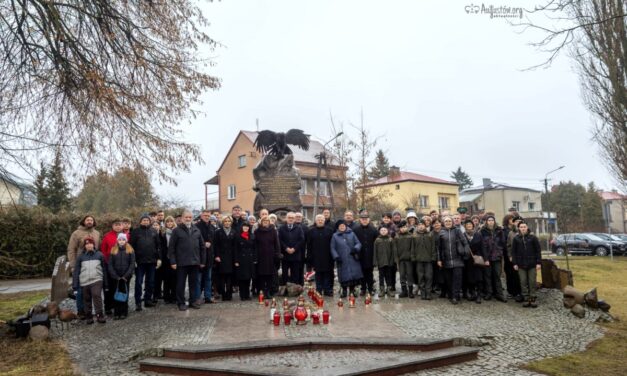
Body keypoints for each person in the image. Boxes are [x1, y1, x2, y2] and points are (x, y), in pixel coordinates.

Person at [168, 210, 205, 311]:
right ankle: (181, 302)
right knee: (180, 284)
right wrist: (173, 261)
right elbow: (171, 248)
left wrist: (202, 261)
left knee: (194, 283)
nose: (188, 219)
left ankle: (193, 301)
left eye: (190, 217)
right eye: (186, 217)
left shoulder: (197, 230)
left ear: (192, 218)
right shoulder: (176, 231)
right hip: (181, 263)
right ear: (182, 218)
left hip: (194, 262)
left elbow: (202, 247)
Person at [67, 215, 101, 317]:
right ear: (84, 221)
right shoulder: (76, 233)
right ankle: (81, 311)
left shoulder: (97, 233)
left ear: (94, 222)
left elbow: (98, 248)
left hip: (94, 264)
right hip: (80, 264)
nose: (89, 221)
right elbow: (71, 249)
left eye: (91, 220)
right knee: (80, 290)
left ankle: (90, 311)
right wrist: (73, 265)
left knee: (93, 289)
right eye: (87, 220)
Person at [72, 236, 108, 324]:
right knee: (86, 299)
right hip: (84, 281)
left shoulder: (100, 255)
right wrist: (75, 285)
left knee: (96, 295)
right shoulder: (81, 257)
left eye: (91, 244)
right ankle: (89, 316)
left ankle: (100, 315)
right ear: (85, 246)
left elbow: (104, 270)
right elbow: (76, 271)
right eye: (87, 244)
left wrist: (106, 284)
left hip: (97, 279)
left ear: (94, 245)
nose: (89, 246)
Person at [130, 214, 161, 311]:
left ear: (150, 221)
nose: (146, 222)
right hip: (140, 262)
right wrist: (133, 260)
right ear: (140, 222)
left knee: (150, 282)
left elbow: (158, 246)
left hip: (152, 262)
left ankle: (148, 300)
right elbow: (131, 247)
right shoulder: (135, 232)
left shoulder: (154, 232)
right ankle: (138, 302)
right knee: (138, 282)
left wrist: (159, 258)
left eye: (147, 220)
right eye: (144, 220)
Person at [511, 222, 542, 308]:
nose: (523, 228)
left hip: (532, 263)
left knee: (532, 281)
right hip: (521, 264)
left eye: (524, 227)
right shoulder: (516, 239)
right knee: (523, 281)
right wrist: (515, 263)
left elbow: (538, 250)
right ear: (519, 228)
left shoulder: (533, 238)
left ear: (527, 227)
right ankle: (526, 298)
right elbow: (513, 252)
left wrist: (538, 262)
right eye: (521, 227)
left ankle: (532, 298)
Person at [437, 217, 467, 305]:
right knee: (449, 280)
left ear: (452, 222)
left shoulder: (457, 231)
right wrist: (439, 259)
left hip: (458, 259)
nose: (448, 222)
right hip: (446, 260)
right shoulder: (441, 232)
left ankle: (455, 296)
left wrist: (465, 253)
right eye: (446, 221)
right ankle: (451, 294)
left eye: (449, 221)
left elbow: (465, 243)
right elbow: (438, 248)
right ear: (443, 222)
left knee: (457, 279)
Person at [100, 219, 127, 315]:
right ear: (112, 226)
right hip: (109, 265)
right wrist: (106, 263)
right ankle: (108, 306)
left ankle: (120, 305)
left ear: (122, 226)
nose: (118, 226)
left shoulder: (126, 235)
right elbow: (103, 250)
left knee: (120, 286)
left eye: (119, 225)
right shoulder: (107, 236)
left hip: (123, 266)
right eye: (115, 225)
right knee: (109, 286)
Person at [331, 220, 363, 298]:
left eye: (343, 226)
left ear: (346, 226)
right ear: (338, 227)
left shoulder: (352, 233)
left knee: (353, 275)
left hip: (352, 258)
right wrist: (336, 256)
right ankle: (344, 291)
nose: (342, 227)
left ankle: (352, 291)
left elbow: (358, 243)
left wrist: (355, 249)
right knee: (343, 276)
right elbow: (332, 248)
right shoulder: (335, 236)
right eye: (340, 226)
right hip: (341, 259)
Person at [306, 214, 335, 296]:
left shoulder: (330, 230)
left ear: (324, 220)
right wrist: (309, 258)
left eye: (322, 219)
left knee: (327, 273)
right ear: (315, 221)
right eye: (318, 219)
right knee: (318, 274)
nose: (320, 220)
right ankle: (319, 289)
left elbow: (333, 244)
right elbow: (309, 246)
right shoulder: (311, 231)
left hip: (328, 256)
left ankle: (327, 290)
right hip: (316, 257)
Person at [108, 233, 135, 320]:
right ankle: (117, 312)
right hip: (116, 277)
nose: (121, 241)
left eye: (123, 239)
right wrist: (115, 275)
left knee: (124, 293)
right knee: (115, 293)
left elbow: (132, 264)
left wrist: (126, 275)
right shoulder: (113, 250)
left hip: (126, 277)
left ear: (126, 240)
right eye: (120, 239)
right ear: (117, 240)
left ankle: (124, 311)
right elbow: (110, 264)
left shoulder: (130, 250)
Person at [480, 215, 507, 302]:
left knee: (497, 275)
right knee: (487, 276)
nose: (491, 222)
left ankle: (499, 294)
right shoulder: (482, 231)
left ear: (494, 221)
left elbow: (503, 242)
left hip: (497, 256)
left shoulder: (499, 230)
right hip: (487, 257)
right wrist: (485, 258)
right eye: (489, 220)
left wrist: (500, 251)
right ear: (486, 222)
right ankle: (489, 293)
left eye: (492, 220)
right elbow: (482, 246)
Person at [352, 210, 378, 296]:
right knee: (362, 273)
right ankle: (363, 289)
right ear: (360, 220)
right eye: (363, 219)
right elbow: (353, 242)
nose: (364, 220)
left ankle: (370, 289)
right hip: (360, 255)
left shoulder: (374, 230)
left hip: (370, 255)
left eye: (366, 218)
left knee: (369, 273)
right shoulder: (355, 230)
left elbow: (376, 243)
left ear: (369, 219)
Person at [254, 217, 281, 298]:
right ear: (261, 222)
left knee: (270, 275)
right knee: (261, 275)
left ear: (269, 222)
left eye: (267, 221)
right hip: (260, 256)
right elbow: (255, 245)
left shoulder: (273, 231)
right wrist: (255, 256)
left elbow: (277, 243)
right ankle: (262, 291)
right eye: (264, 221)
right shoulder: (257, 231)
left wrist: (277, 254)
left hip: (271, 256)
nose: (265, 222)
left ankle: (268, 292)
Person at [278, 212, 305, 285]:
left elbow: (301, 239)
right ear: (286, 218)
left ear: (294, 219)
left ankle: (294, 289)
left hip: (295, 254)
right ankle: (284, 288)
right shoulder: (281, 228)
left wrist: (294, 248)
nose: (290, 219)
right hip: (285, 255)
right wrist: (286, 248)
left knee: (295, 273)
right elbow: (279, 240)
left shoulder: (299, 228)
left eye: (292, 218)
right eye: (289, 217)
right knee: (285, 273)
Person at [413, 220, 436, 300]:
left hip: (428, 260)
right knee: (420, 276)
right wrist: (413, 257)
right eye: (419, 225)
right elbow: (413, 248)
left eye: (422, 224)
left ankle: (428, 293)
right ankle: (423, 293)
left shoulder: (430, 235)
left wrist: (433, 256)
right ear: (417, 226)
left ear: (425, 226)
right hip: (419, 260)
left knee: (429, 276)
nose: (421, 226)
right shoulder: (415, 236)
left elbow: (433, 246)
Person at [462, 220, 485, 304]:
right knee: (470, 278)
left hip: (477, 258)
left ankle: (479, 295)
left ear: (473, 225)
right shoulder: (463, 235)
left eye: (470, 224)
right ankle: (472, 293)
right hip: (467, 259)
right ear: (465, 226)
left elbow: (483, 246)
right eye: (467, 224)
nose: (469, 225)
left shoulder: (478, 234)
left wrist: (485, 258)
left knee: (479, 278)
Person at [196, 210, 216, 304]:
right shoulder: (196, 227)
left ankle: (207, 297)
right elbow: (193, 241)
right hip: (199, 257)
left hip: (209, 257)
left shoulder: (212, 227)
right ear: (201, 216)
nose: (207, 217)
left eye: (208, 215)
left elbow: (214, 242)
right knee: (198, 279)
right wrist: (203, 244)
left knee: (208, 278)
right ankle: (197, 297)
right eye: (205, 215)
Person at [214, 216, 236, 301]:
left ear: (231, 222)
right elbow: (216, 245)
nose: (227, 222)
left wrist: (235, 258)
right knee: (222, 277)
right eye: (225, 221)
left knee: (230, 277)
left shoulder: (234, 232)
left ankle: (229, 294)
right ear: (223, 222)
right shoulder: (218, 232)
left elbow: (235, 246)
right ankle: (223, 294)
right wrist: (217, 256)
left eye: (229, 221)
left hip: (231, 257)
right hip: (221, 257)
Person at [234, 221, 257, 300]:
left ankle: (247, 295)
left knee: (248, 278)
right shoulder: (237, 236)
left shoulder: (252, 236)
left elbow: (255, 248)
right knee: (242, 278)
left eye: (247, 227)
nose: (246, 228)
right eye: (244, 226)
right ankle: (242, 295)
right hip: (241, 259)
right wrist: (236, 260)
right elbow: (235, 249)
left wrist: (255, 258)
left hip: (250, 259)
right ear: (242, 227)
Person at [504, 214, 524, 302]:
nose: (518, 223)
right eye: (516, 222)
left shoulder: (527, 232)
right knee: (515, 276)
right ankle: (516, 293)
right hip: (515, 258)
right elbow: (508, 246)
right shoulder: (511, 233)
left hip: (525, 258)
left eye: (519, 221)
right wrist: (510, 256)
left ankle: (526, 293)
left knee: (524, 276)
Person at [394, 220, 415, 298]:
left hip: (409, 259)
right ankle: (404, 291)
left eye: (405, 227)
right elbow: (395, 249)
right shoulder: (397, 237)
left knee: (409, 275)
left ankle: (410, 291)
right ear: (399, 228)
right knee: (402, 275)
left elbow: (413, 247)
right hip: (401, 260)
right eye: (402, 227)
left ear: (407, 227)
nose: (403, 228)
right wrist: (396, 259)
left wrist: (412, 257)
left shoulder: (411, 236)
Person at [159, 216, 178, 304]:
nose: (169, 223)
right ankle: (166, 297)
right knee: (166, 279)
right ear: (165, 223)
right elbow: (161, 246)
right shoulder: (162, 233)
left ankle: (174, 296)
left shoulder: (176, 232)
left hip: (174, 257)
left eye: (171, 222)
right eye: (168, 222)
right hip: (165, 258)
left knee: (174, 278)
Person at [374, 226, 395, 296]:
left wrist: (392, 260)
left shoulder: (390, 240)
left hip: (389, 262)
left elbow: (393, 251)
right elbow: (375, 252)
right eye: (382, 230)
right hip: (380, 262)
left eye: (385, 230)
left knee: (388, 276)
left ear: (387, 231)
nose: (383, 231)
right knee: (381, 276)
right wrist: (375, 261)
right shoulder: (377, 240)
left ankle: (389, 289)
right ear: (379, 231)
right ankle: (382, 290)